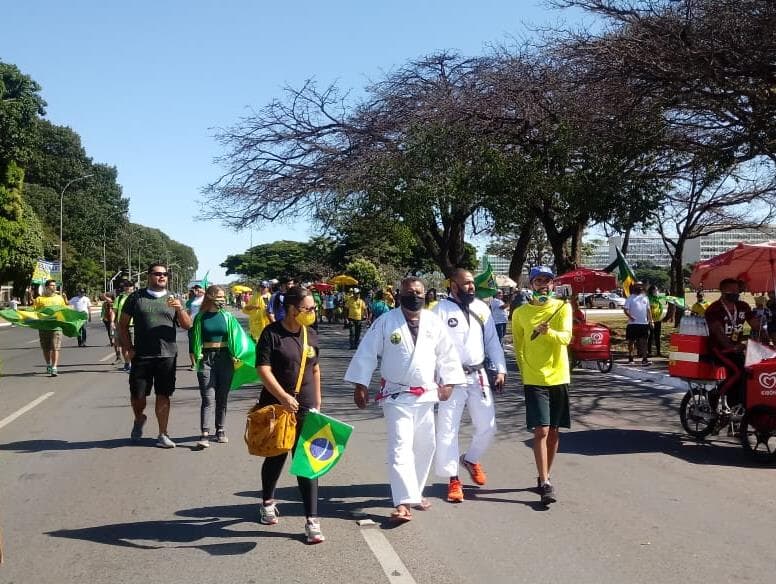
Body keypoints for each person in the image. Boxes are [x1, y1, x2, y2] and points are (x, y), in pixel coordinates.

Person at [345, 277, 466, 522]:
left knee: (426, 446)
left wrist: (450, 382)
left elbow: (448, 354)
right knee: (400, 447)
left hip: (426, 394)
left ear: (426, 295)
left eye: (419, 292)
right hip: (396, 396)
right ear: (399, 295)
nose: (415, 296)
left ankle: (415, 492)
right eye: (410, 292)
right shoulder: (386, 321)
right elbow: (367, 352)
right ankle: (402, 503)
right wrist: (361, 384)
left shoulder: (433, 322)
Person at [255, 287, 325, 544]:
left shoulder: (312, 335)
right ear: (293, 309)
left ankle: (312, 521)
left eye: (314, 308)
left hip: (305, 407)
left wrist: (317, 402)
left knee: (307, 461)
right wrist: (283, 398)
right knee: (275, 456)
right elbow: (262, 369)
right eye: (309, 309)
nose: (312, 313)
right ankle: (267, 502)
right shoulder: (272, 334)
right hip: (276, 406)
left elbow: (315, 369)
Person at [432, 269, 506, 503]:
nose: (472, 287)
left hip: (478, 374)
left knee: (488, 425)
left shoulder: (482, 309)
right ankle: (453, 479)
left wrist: (501, 369)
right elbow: (431, 347)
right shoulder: (439, 311)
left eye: (473, 283)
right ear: (453, 286)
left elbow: (492, 342)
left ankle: (471, 459)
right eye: (466, 284)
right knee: (447, 430)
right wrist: (436, 378)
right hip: (451, 378)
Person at [511, 266, 572, 506]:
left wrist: (549, 332)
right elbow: (517, 345)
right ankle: (545, 482)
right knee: (541, 431)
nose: (543, 285)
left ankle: (545, 473)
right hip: (534, 378)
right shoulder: (520, 313)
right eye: (538, 281)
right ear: (531, 284)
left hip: (558, 377)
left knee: (554, 431)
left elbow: (566, 338)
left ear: (553, 284)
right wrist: (524, 372)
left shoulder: (561, 307)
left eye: (547, 281)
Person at [118, 263, 192, 448]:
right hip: (142, 355)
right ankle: (139, 418)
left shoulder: (174, 299)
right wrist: (128, 347)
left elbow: (187, 325)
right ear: (149, 276)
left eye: (165, 274)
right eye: (157, 274)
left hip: (167, 355)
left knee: (163, 395)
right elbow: (122, 324)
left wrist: (179, 309)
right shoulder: (136, 298)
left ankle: (163, 433)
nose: (162, 277)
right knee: (138, 397)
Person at [189, 285, 243, 448]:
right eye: (219, 297)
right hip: (206, 360)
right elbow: (194, 339)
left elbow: (239, 338)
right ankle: (204, 433)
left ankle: (220, 429)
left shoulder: (228, 317)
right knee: (207, 398)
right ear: (211, 297)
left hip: (226, 359)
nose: (222, 300)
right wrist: (195, 357)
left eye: (223, 297)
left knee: (222, 397)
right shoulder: (200, 317)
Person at [705, 279, 759, 412]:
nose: (736, 293)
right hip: (719, 350)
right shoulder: (714, 309)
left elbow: (756, 325)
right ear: (723, 291)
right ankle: (715, 395)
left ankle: (738, 407)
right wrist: (733, 347)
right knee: (738, 371)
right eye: (733, 291)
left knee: (752, 372)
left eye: (738, 291)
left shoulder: (743, 306)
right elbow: (718, 332)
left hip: (737, 349)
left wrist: (765, 333)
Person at [32, 279, 66, 377]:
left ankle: (54, 367)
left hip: (56, 326)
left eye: (55, 285)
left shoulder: (59, 298)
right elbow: (34, 312)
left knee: (55, 347)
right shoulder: (39, 299)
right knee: (46, 348)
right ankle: (48, 364)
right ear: (46, 287)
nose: (54, 287)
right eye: (52, 285)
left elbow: (64, 310)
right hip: (43, 327)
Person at [623, 282, 652, 365]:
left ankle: (644, 359)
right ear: (634, 287)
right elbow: (625, 310)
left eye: (640, 286)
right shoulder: (630, 298)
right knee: (631, 341)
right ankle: (631, 357)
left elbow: (648, 310)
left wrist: (651, 321)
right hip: (633, 324)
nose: (639, 287)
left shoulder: (645, 298)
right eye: (637, 286)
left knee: (644, 341)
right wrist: (630, 317)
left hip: (644, 324)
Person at [114, 280, 135, 371]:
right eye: (126, 286)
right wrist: (113, 322)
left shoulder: (136, 297)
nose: (128, 288)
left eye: (130, 286)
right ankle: (127, 363)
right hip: (121, 325)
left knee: (133, 346)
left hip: (133, 325)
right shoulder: (119, 298)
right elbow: (114, 311)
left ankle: (134, 363)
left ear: (133, 287)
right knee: (123, 345)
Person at [186, 284, 206, 370]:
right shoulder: (192, 300)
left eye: (198, 289)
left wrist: (204, 292)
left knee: (202, 343)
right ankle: (193, 364)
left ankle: (203, 362)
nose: (196, 291)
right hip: (192, 324)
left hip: (202, 324)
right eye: (195, 290)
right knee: (192, 343)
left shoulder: (206, 299)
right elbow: (189, 311)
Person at [647, 285, 666, 357]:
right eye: (655, 290)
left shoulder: (658, 298)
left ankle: (658, 352)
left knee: (657, 336)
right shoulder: (648, 298)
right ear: (651, 291)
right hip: (650, 320)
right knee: (650, 336)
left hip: (658, 320)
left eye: (657, 290)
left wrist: (660, 315)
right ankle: (649, 352)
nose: (656, 291)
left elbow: (661, 307)